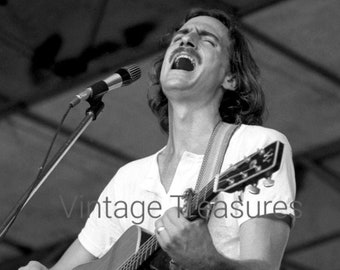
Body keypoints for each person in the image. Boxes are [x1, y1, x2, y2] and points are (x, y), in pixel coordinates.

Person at [20, 7, 296, 270]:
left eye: (207, 40)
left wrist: (208, 262)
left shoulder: (255, 147)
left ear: (231, 78)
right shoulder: (130, 179)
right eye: (179, 37)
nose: (187, 40)